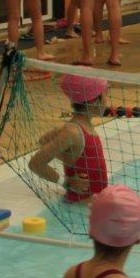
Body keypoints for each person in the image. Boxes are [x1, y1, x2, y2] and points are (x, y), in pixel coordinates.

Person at [30, 74, 110, 203]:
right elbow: (35, 163)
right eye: (106, 94)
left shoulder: (78, 127)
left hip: (96, 201)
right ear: (94, 100)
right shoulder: (73, 132)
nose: (108, 100)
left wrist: (68, 156)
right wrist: (66, 182)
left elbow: (43, 140)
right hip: (85, 204)